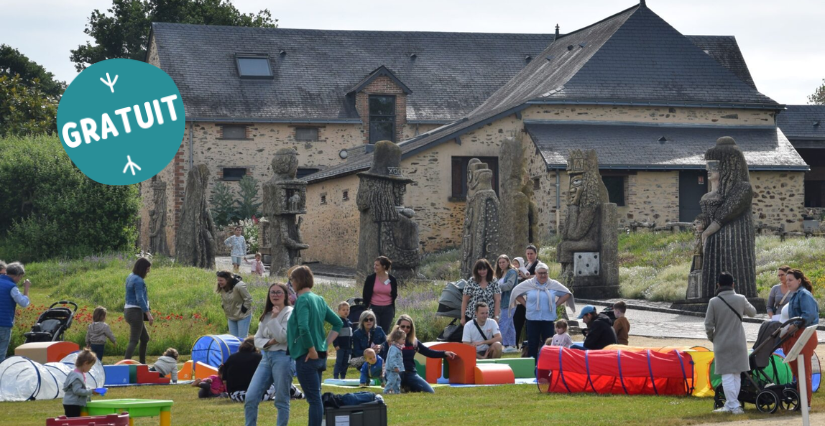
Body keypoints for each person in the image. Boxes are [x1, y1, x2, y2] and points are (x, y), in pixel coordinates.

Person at [287, 265, 343, 426]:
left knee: (314, 400)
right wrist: (325, 344)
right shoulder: (319, 299)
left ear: (297, 281)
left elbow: (303, 327)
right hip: (320, 356)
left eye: (291, 280)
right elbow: (338, 323)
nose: (291, 283)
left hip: (308, 356)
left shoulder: (303, 300)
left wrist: (312, 350)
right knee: (316, 397)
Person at [704, 272, 756, 414]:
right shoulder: (740, 299)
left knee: (726, 374)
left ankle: (733, 405)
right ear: (733, 284)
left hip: (721, 342)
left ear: (718, 285)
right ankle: (732, 404)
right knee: (736, 374)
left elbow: (708, 325)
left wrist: (713, 338)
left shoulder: (713, 302)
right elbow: (753, 312)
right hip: (739, 341)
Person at [245, 283, 293, 426]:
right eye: (272, 292)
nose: (275, 295)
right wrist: (271, 341)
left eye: (279, 292)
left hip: (283, 358)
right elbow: (257, 340)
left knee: (281, 400)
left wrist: (274, 319)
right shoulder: (266, 314)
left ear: (285, 295)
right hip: (266, 358)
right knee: (251, 397)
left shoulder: (289, 312)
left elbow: (283, 337)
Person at [510, 262, 573, 361]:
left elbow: (567, 293)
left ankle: (547, 364)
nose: (543, 275)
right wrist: (526, 304)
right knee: (532, 343)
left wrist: (556, 304)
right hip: (532, 318)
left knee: (548, 343)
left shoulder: (553, 284)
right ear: (535, 273)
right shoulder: (529, 283)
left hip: (548, 318)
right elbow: (515, 292)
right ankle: (532, 365)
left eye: (545, 273)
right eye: (540, 273)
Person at [384, 314, 456, 393]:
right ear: (398, 327)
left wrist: (445, 353)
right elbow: (382, 357)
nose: (405, 329)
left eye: (408, 327)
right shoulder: (390, 342)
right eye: (403, 326)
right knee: (394, 390)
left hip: (410, 373)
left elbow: (428, 352)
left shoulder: (414, 342)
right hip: (395, 373)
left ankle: (406, 386)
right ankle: (398, 387)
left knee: (430, 391)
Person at [781, 268, 820, 408]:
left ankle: (806, 404)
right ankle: (801, 402)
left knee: (803, 371)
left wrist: (794, 325)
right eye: (787, 281)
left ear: (799, 280)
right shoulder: (796, 294)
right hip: (797, 335)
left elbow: (808, 315)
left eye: (790, 280)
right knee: (798, 371)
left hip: (805, 335)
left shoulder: (804, 294)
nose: (788, 283)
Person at [124, 258, 153, 364]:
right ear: (142, 269)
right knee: (134, 340)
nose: (148, 272)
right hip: (135, 312)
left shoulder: (130, 276)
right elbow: (139, 298)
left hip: (128, 310)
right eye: (147, 270)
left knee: (145, 338)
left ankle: (142, 364)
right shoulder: (139, 281)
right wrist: (148, 314)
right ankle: (124, 365)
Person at [362, 256, 398, 334]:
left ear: (384, 266)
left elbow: (394, 294)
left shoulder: (392, 279)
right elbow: (365, 294)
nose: (375, 267)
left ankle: (384, 346)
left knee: (385, 332)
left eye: (377, 265)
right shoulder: (370, 278)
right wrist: (366, 307)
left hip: (388, 309)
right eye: (374, 265)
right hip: (374, 308)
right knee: (374, 330)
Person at [460, 259, 501, 326]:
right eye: (480, 269)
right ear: (476, 270)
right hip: (472, 316)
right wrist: (462, 317)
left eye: (484, 269)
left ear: (488, 269)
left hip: (488, 317)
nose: (482, 271)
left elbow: (497, 300)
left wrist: (496, 317)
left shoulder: (493, 281)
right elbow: (464, 300)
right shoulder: (471, 281)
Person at [514, 244, 540, 348]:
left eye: (531, 254)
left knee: (529, 321)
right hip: (522, 296)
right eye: (528, 253)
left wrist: (526, 276)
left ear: (536, 254)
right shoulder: (524, 265)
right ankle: (514, 343)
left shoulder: (539, 264)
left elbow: (541, 276)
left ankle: (530, 344)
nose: (529, 255)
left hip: (533, 297)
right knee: (517, 320)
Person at [62, 349, 100, 417]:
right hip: (73, 404)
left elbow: (80, 388)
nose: (90, 369)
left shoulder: (78, 373)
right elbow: (77, 391)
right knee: (74, 422)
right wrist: (91, 391)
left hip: (72, 403)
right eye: (90, 366)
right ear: (85, 363)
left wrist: (90, 390)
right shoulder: (77, 376)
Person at [216, 271, 254, 340]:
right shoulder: (223, 287)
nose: (219, 282)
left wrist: (243, 309)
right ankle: (236, 351)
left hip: (243, 316)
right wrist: (223, 306)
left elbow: (248, 299)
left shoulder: (239, 286)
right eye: (218, 280)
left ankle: (245, 350)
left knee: (242, 339)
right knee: (233, 339)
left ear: (227, 280)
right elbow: (225, 299)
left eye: (221, 280)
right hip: (231, 316)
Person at [495, 255, 518, 352]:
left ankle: (497, 344)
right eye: (500, 262)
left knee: (503, 323)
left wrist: (496, 288)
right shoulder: (500, 273)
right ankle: (511, 345)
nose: (501, 264)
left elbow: (509, 285)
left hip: (510, 301)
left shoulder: (512, 272)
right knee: (509, 324)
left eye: (503, 262)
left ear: (508, 262)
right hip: (502, 301)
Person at [332, 301, 353, 379]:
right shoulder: (338, 322)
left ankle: (343, 376)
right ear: (339, 311)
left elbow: (351, 336)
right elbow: (334, 334)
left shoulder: (350, 323)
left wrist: (351, 346)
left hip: (348, 347)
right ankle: (336, 376)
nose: (346, 311)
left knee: (346, 362)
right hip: (340, 347)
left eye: (347, 310)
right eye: (343, 310)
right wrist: (336, 344)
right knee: (339, 362)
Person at [383, 328, 406, 394]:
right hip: (393, 368)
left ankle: (397, 392)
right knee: (391, 381)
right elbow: (392, 358)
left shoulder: (397, 347)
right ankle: (386, 391)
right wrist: (395, 366)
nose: (404, 341)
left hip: (394, 368)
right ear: (397, 339)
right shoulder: (394, 348)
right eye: (403, 339)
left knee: (397, 380)